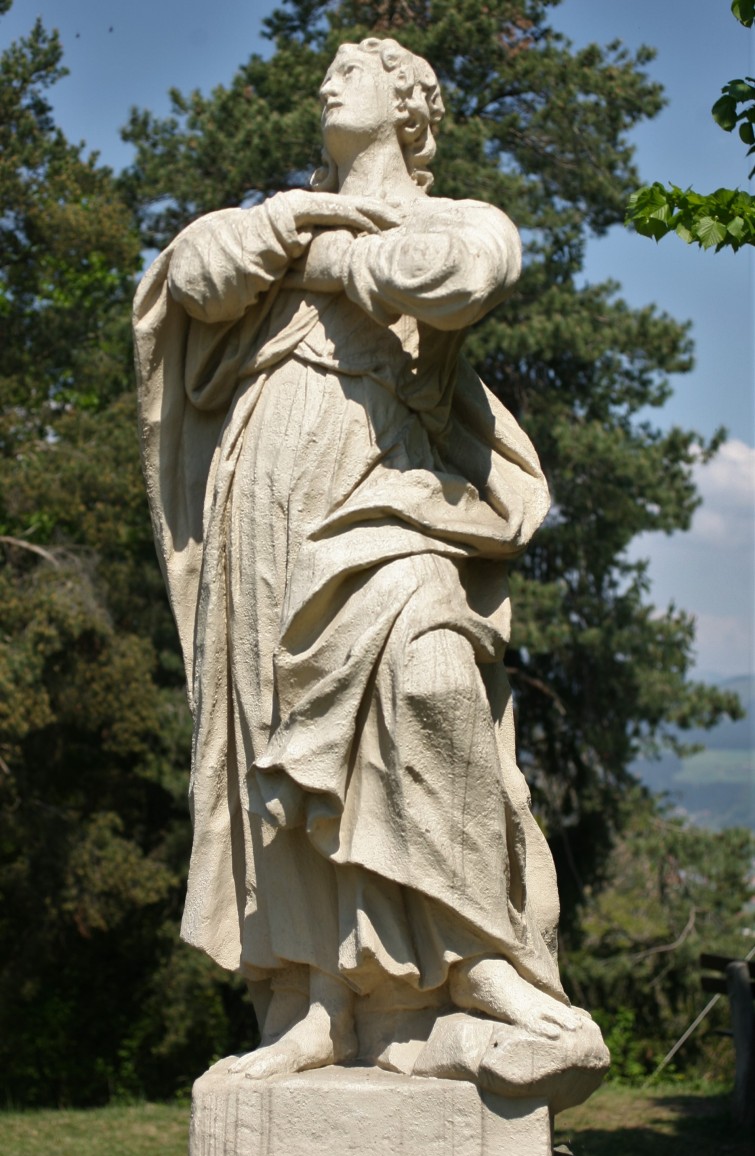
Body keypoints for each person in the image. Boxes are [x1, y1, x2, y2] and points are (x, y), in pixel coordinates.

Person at [134, 36, 584, 1083]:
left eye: (358, 69)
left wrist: (333, 257)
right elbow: (189, 280)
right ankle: (316, 1001)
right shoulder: (273, 218)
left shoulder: (454, 220)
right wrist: (295, 221)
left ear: (413, 105)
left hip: (385, 488)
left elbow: (468, 273)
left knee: (430, 683)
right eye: (326, 71)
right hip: (263, 496)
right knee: (275, 745)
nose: (329, 80)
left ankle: (481, 960)